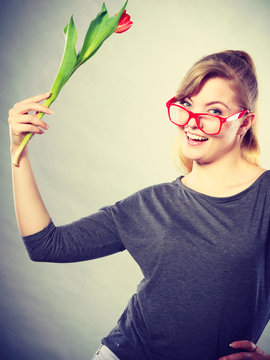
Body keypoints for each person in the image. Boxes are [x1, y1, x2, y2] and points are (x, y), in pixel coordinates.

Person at [8, 50, 270, 360]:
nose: (192, 122)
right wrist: (18, 150)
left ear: (244, 122)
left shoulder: (264, 198)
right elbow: (46, 245)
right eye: (186, 105)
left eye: (213, 110)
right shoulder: (151, 204)